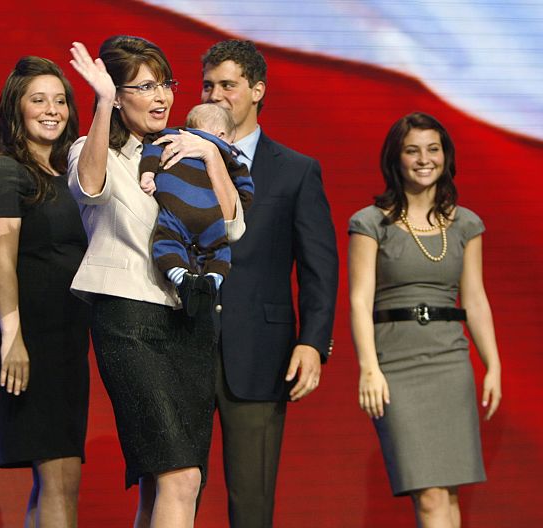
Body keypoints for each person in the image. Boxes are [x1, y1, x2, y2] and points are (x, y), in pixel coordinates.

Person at [68, 36, 246, 528]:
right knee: (179, 477)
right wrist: (102, 105)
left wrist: (210, 155)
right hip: (129, 322)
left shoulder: (184, 150)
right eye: (145, 86)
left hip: (189, 322)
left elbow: (232, 226)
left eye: (165, 82)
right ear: (118, 95)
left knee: (168, 483)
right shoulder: (92, 148)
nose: (162, 96)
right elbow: (90, 186)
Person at [201, 39, 339, 526]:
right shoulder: (175, 156)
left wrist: (313, 342)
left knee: (252, 500)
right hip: (181, 347)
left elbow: (320, 267)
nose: (217, 95)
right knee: (173, 492)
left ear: (257, 90)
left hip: (261, 351)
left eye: (229, 85)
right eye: (209, 85)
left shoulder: (296, 171)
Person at [348, 112, 501, 527]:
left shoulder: (466, 223)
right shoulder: (370, 222)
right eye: (412, 150)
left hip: (450, 363)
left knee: (448, 494)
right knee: (430, 495)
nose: (423, 159)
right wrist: (369, 369)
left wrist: (493, 365)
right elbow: (359, 301)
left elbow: (475, 299)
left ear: (446, 156)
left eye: (432, 149)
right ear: (396, 158)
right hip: (396, 364)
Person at [0, 56, 89, 528]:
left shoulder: (68, 176)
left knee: (60, 479)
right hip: (29, 340)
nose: (52, 109)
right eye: (38, 99)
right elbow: (3, 261)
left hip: (67, 340)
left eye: (60, 100)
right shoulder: (4, 172)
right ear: (15, 109)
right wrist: (12, 337)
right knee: (57, 479)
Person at [139, 103, 254, 316]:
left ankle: (181, 277)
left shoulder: (171, 135)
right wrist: (243, 203)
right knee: (219, 250)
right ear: (221, 134)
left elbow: (151, 146)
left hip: (174, 210)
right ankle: (213, 280)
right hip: (211, 215)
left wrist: (147, 174)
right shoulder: (227, 154)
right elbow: (245, 189)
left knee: (166, 242)